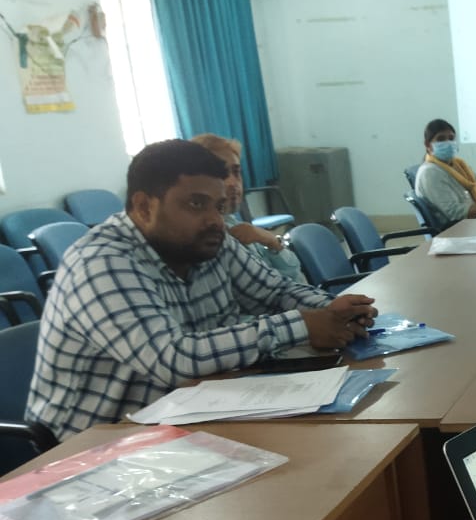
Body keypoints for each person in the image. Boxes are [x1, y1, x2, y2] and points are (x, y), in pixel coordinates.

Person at [26, 139, 377, 441]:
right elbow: (174, 359)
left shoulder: (207, 239)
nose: (214, 220)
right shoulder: (101, 262)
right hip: (100, 442)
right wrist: (303, 325)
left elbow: (275, 292)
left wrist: (339, 310)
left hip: (190, 413)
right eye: (196, 204)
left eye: (219, 206)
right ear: (144, 207)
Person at [189, 132, 305, 284]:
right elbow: (270, 288)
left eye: (236, 172)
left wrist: (271, 241)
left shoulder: (235, 223)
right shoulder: (208, 239)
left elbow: (294, 274)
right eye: (222, 174)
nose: (233, 183)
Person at [415, 119, 476, 222]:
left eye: (451, 138)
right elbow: (455, 213)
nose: (448, 143)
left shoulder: (461, 166)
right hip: (459, 226)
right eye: (441, 139)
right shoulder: (430, 172)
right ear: (428, 145)